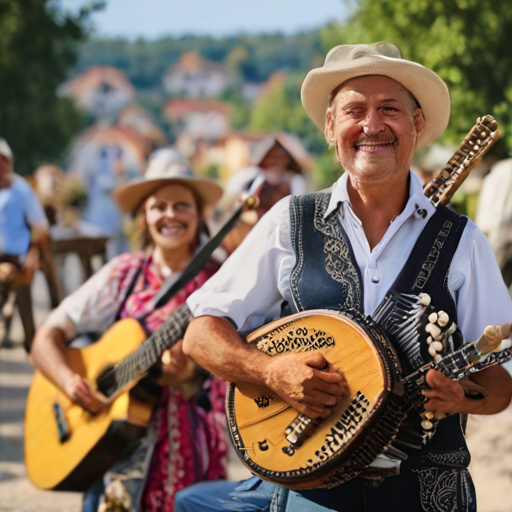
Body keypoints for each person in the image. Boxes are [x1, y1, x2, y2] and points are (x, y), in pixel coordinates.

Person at [179, 43, 512, 512]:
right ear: (331, 128)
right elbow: (201, 334)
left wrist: (463, 397)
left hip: (425, 494)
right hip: (310, 490)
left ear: (416, 125)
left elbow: (499, 383)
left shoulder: (464, 240)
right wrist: (272, 371)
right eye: (355, 110)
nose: (372, 125)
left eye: (389, 109)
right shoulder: (288, 222)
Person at [30, 148, 227, 512]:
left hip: (193, 448)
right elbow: (46, 337)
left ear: (199, 215)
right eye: (159, 206)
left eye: (182, 205)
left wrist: (189, 372)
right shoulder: (124, 272)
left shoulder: (222, 279)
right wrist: (69, 381)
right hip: (113, 454)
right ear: (143, 216)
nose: (170, 214)